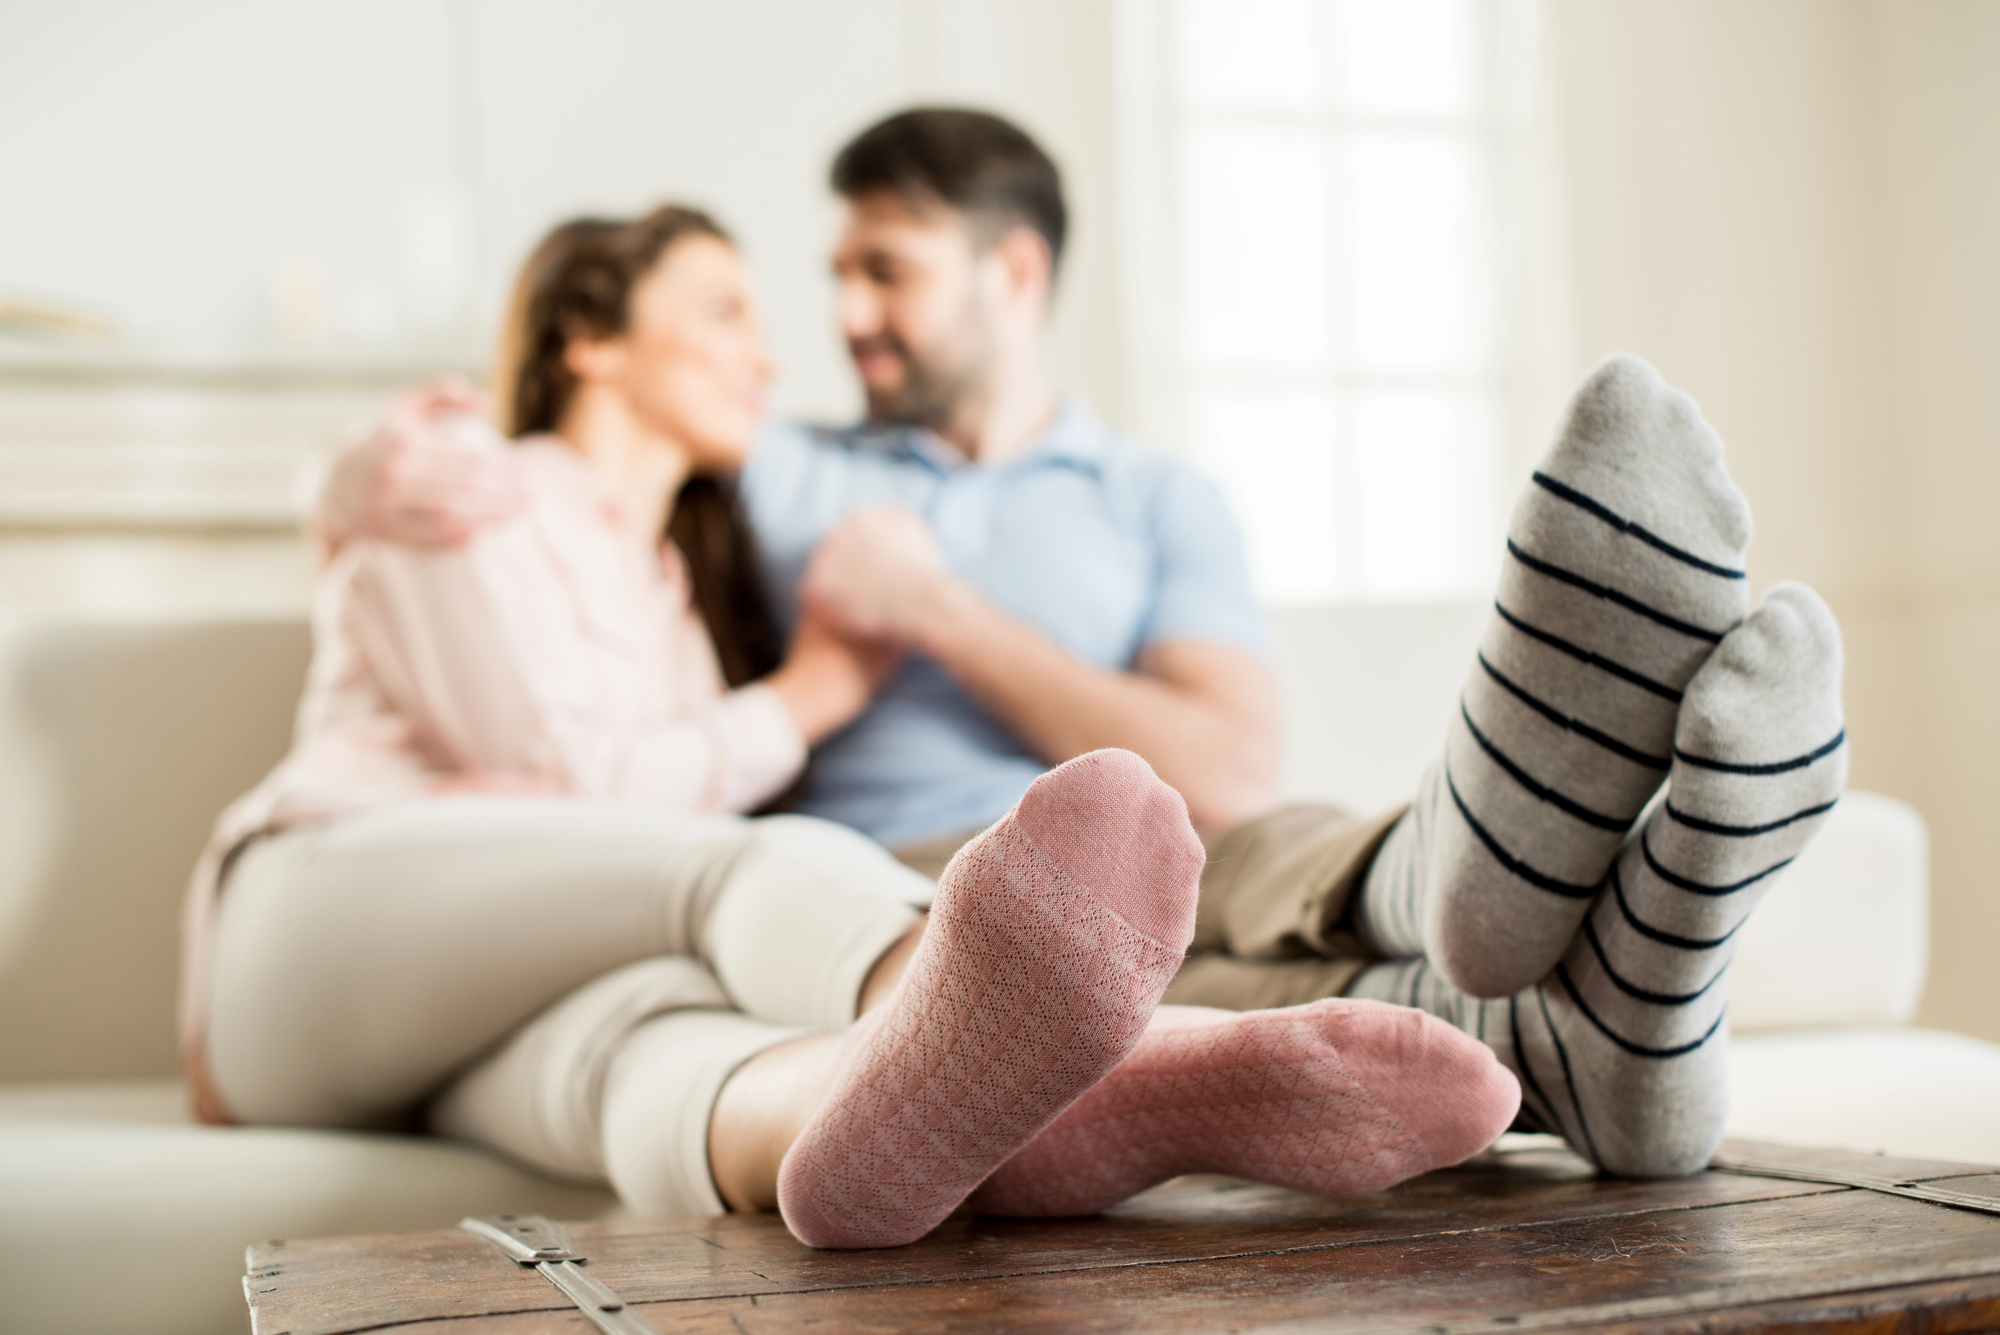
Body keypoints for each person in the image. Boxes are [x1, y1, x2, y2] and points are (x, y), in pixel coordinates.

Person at [323, 109, 1849, 1181]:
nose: (836, 315)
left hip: (1187, 841)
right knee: (1089, 958)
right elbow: (573, 463)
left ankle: (1469, 877)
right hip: (893, 877)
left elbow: (1233, 755)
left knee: (1227, 842)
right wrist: (356, 483)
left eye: (886, 270)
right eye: (834, 272)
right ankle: (1625, 1001)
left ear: (1014, 272)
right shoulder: (780, 468)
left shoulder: (1155, 496)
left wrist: (941, 617)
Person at [183, 203, 1520, 1249]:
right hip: (305, 939)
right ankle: (1067, 1027)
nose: (771, 352)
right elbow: (579, 785)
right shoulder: (466, 481)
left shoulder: (676, 594)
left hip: (486, 1012)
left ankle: (917, 1123)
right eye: (721, 308)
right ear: (590, 338)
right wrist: (819, 687)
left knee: (659, 1058)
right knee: (731, 864)